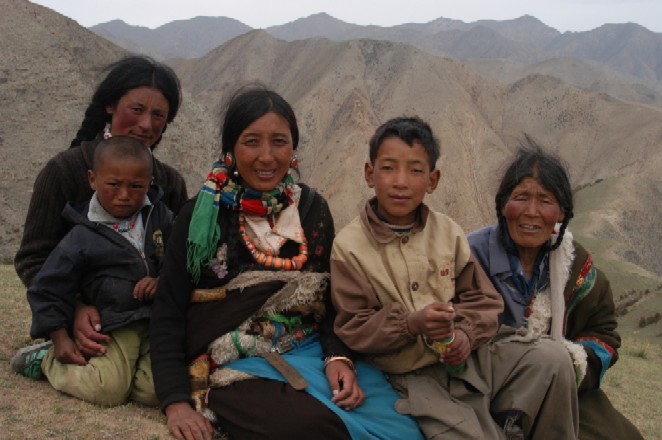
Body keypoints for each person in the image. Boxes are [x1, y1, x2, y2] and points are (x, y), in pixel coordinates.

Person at [150, 87, 424, 440]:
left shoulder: (312, 209)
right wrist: (175, 403)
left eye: (279, 141)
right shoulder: (201, 217)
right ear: (230, 148)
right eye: (251, 142)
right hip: (233, 365)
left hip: (309, 351)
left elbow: (329, 302)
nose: (267, 157)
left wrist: (337, 360)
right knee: (312, 428)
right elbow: (169, 310)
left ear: (293, 147)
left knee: (400, 426)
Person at [330, 116, 579, 439]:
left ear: (433, 180)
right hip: (410, 375)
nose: (401, 181)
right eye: (389, 168)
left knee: (553, 360)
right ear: (369, 173)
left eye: (416, 170)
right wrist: (411, 324)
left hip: (470, 359)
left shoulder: (448, 232)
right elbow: (354, 327)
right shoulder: (349, 247)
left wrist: (464, 334)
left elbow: (484, 301)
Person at [13, 55, 188, 360]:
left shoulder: (169, 183)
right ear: (110, 106)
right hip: (88, 324)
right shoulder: (64, 170)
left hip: (148, 322)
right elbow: (33, 258)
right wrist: (76, 309)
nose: (147, 124)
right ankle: (43, 357)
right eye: (137, 109)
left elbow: (177, 253)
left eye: (158, 115)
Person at [467, 145, 643, 440]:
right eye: (520, 197)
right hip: (483, 389)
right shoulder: (470, 256)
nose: (531, 212)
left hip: (564, 389)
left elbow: (604, 336)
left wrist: (571, 364)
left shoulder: (576, 267)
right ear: (502, 206)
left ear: (561, 212)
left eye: (545, 200)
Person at [11, 136, 173, 406]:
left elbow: (178, 255)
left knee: (157, 391)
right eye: (113, 184)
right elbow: (47, 287)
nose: (124, 194)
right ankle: (45, 360)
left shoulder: (160, 218)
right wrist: (59, 336)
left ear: (150, 182)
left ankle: (121, 373)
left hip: (155, 321)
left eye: (136, 186)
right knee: (107, 391)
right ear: (92, 179)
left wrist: (161, 279)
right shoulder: (81, 236)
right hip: (112, 325)